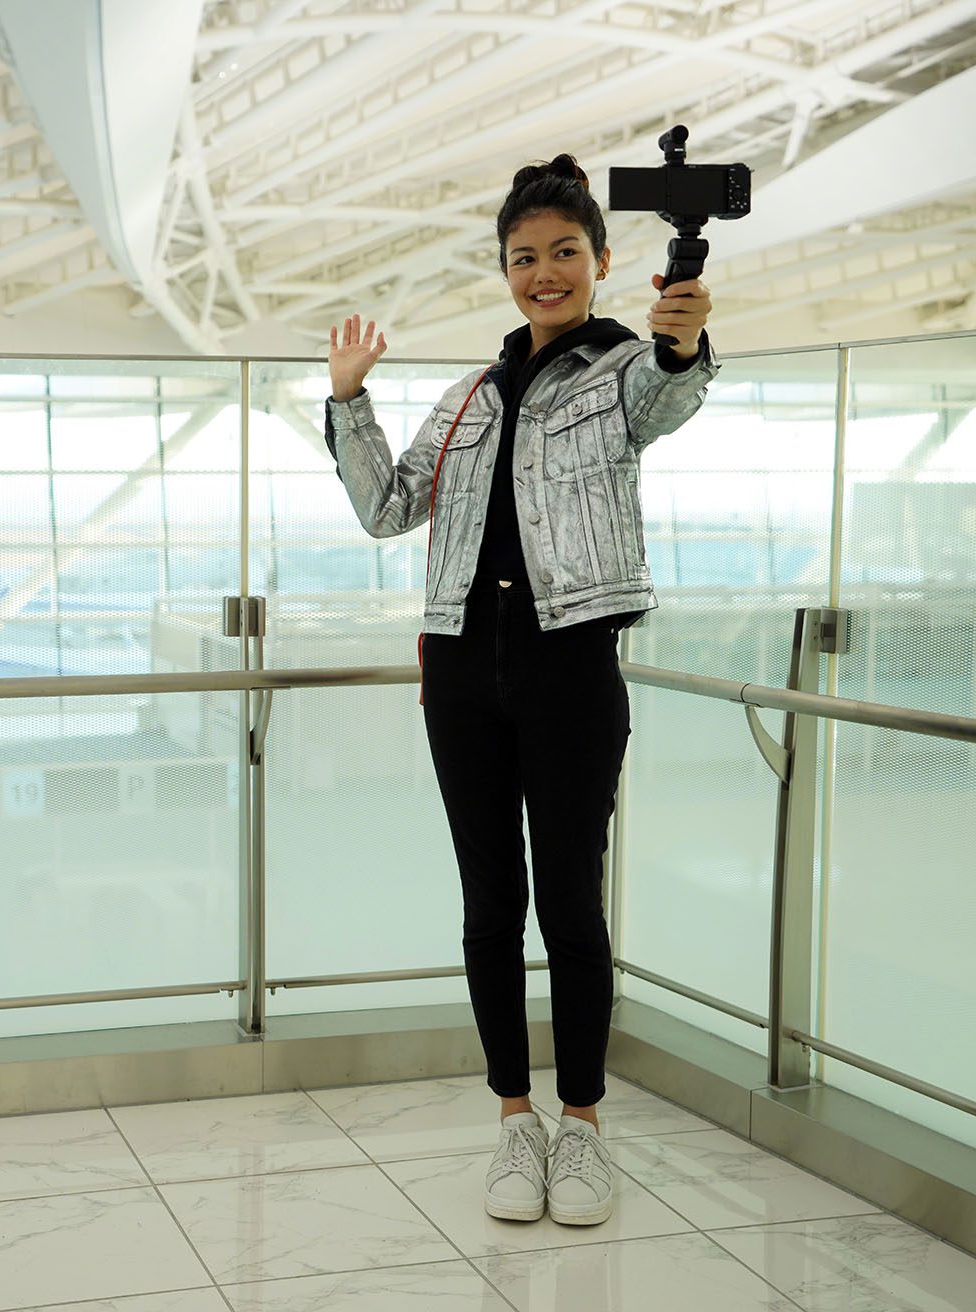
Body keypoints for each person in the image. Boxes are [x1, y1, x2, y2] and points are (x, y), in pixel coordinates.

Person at [321, 153, 717, 1227]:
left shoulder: (621, 371)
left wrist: (682, 338)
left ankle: (580, 1124)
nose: (544, 272)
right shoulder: (468, 397)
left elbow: (669, 392)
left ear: (601, 261)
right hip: (460, 667)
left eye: (564, 252)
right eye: (523, 257)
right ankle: (513, 1118)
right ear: (504, 271)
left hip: (569, 666)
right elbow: (387, 508)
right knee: (489, 905)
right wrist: (348, 400)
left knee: (570, 904)